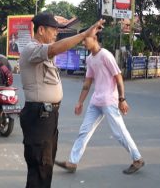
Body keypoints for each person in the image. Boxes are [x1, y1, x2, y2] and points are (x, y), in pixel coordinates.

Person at [19, 12, 105, 188]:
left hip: (48, 116)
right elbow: (55, 48)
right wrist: (83, 34)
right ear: (41, 30)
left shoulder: (43, 52)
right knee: (40, 165)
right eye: (53, 30)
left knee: (46, 163)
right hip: (38, 116)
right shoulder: (32, 49)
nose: (56, 33)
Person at [55, 29, 145, 175]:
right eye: (82, 39)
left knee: (119, 132)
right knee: (84, 131)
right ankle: (72, 162)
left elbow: (119, 77)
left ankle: (137, 159)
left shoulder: (106, 55)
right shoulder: (90, 59)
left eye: (85, 39)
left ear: (95, 38)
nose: (83, 42)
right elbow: (87, 82)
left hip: (109, 100)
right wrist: (80, 102)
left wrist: (122, 99)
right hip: (96, 101)